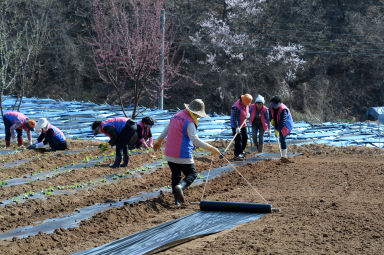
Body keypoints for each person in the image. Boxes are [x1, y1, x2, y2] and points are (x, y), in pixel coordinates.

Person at [153, 99, 221, 205]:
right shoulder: (189, 122)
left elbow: (166, 130)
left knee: (176, 175)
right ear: (194, 112)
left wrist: (159, 141)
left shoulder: (176, 116)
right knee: (192, 174)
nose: (198, 116)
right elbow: (195, 140)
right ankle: (181, 186)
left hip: (169, 153)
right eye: (198, 114)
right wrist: (211, 148)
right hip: (183, 154)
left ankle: (177, 201)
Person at [230, 94, 252, 160]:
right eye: (245, 103)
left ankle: (241, 151)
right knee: (238, 140)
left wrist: (248, 116)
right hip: (236, 125)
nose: (246, 105)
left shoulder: (246, 104)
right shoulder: (236, 106)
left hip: (243, 124)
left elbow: (246, 112)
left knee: (245, 138)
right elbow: (234, 118)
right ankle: (236, 154)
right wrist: (236, 127)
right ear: (242, 100)